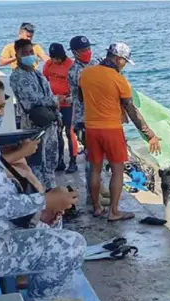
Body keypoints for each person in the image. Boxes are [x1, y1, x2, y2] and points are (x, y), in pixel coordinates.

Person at [0, 74, 85, 301]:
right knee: (72, 246)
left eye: (1, 106)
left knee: (53, 229)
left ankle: (42, 298)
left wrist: (40, 206)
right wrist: (44, 201)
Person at [79, 42, 160, 221]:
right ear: (117, 59)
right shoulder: (119, 79)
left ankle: (97, 207)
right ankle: (114, 211)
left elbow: (80, 97)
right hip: (111, 129)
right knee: (117, 170)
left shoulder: (85, 73)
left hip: (91, 128)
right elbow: (131, 110)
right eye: (124, 61)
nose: (124, 65)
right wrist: (150, 135)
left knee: (95, 169)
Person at [10, 39, 60, 190]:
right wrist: (54, 100)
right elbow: (31, 101)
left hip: (49, 124)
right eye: (25, 53)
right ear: (17, 55)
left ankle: (52, 192)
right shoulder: (17, 77)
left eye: (31, 52)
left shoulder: (37, 73)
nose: (29, 55)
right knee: (37, 163)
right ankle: (41, 195)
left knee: (51, 161)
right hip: (34, 126)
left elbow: (48, 96)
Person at [67, 35, 110, 206]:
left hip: (98, 117)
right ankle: (93, 197)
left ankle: (100, 187)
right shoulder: (75, 71)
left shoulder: (93, 64)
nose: (87, 52)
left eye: (88, 49)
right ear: (75, 53)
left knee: (101, 157)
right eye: (83, 50)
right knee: (91, 158)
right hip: (84, 119)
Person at [43, 43, 77, 173]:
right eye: (53, 58)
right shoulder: (49, 65)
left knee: (70, 132)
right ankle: (60, 160)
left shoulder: (71, 66)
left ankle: (73, 162)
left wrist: (66, 97)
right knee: (57, 133)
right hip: (55, 104)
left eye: (57, 58)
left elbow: (77, 88)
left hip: (69, 104)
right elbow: (46, 80)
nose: (55, 60)